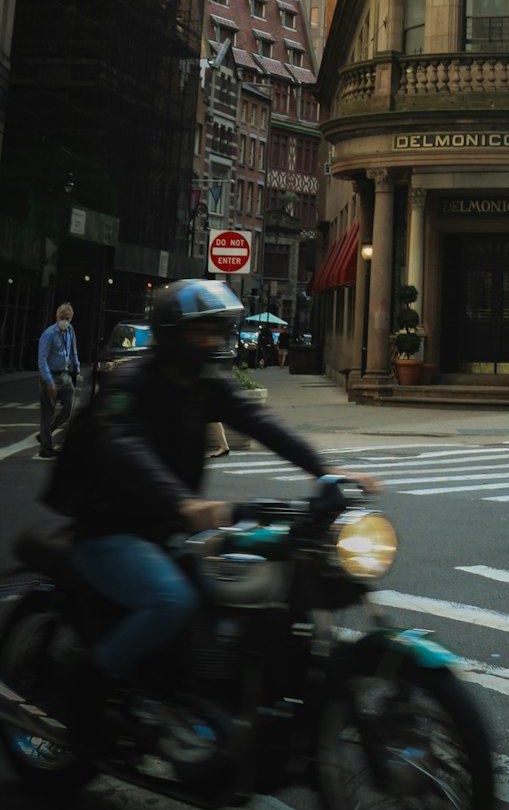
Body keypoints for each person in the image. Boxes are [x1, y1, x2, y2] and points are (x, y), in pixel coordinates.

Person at [45, 278, 378, 742]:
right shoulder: (131, 384)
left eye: (218, 331)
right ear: (172, 334)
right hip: (111, 528)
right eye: (202, 332)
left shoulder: (202, 383)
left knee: (245, 583)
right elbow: (125, 447)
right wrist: (182, 501)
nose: (213, 341)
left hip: (166, 527)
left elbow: (261, 422)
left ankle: (199, 693)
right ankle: (86, 693)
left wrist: (327, 471)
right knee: (171, 600)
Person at [37, 301, 81, 459]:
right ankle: (46, 448)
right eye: (62, 317)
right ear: (56, 317)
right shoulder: (48, 334)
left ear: (71, 319)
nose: (65, 321)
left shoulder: (70, 330)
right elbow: (41, 360)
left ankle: (45, 434)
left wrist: (77, 367)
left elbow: (73, 348)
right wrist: (49, 382)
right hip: (50, 375)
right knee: (47, 413)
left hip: (64, 374)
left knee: (68, 409)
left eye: (68, 318)